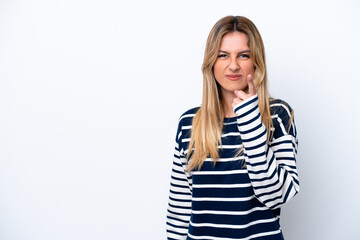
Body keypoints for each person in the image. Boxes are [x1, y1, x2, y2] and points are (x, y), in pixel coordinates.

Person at [166, 16, 299, 240]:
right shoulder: (190, 123)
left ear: (256, 61)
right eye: (223, 55)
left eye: (243, 55)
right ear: (211, 62)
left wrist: (250, 120)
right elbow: (180, 210)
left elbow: (277, 195)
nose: (234, 65)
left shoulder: (277, 116)